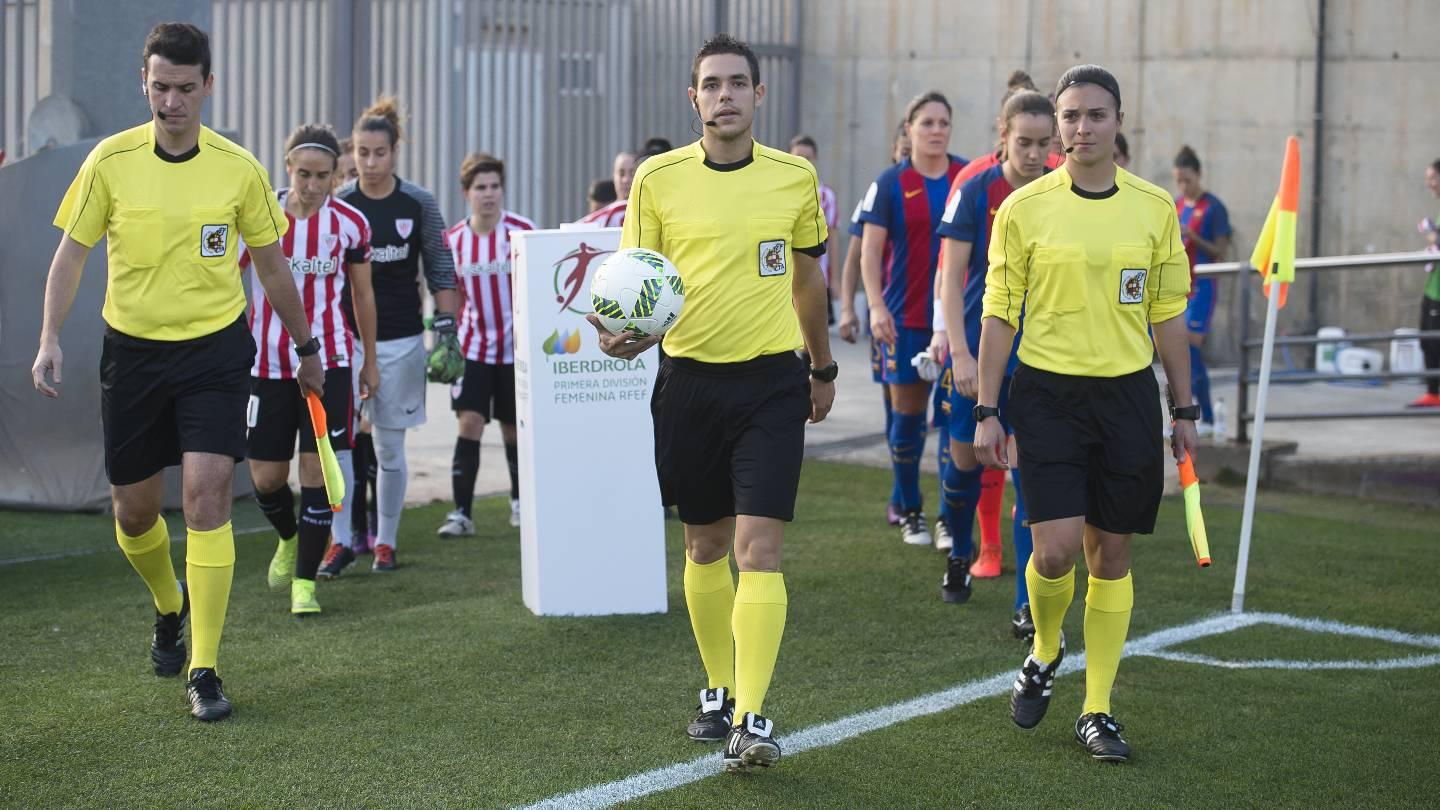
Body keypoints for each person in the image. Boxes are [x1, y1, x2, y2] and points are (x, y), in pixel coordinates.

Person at [31, 22, 322, 720]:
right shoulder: (109, 160)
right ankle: (169, 604)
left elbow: (274, 268)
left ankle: (205, 667)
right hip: (131, 354)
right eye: (160, 88)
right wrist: (48, 338)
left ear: (208, 87)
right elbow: (70, 255)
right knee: (133, 514)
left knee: (206, 498)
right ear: (145, 84)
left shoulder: (240, 169)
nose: (171, 103)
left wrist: (307, 349)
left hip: (216, 354)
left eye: (185, 89)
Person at [588, 34, 833, 771]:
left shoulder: (795, 179)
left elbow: (808, 283)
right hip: (687, 383)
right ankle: (719, 689)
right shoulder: (658, 180)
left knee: (760, 549)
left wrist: (820, 367)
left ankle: (752, 717)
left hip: (770, 384)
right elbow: (633, 281)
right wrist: (616, 333)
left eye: (737, 84)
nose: (724, 95)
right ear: (691, 98)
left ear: (760, 95)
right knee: (704, 545)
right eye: (711, 85)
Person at [974, 65, 1196, 762]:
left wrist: (1182, 406)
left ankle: (1096, 709)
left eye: (1095, 115)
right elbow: (998, 312)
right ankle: (1045, 647)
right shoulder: (1024, 209)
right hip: (1046, 398)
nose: (1080, 128)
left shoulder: (1153, 208)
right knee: (1055, 549)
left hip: (1127, 397)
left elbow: (1168, 315)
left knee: (1113, 555)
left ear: (1119, 121)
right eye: (1070, 116)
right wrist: (987, 408)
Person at [243, 124, 377, 618]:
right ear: (287, 168)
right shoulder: (259, 215)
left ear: (337, 175)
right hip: (267, 364)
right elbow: (226, 277)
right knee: (266, 479)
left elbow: (363, 295)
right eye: (304, 174)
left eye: (324, 176)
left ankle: (305, 583)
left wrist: (371, 362)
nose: (313, 184)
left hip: (331, 365)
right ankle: (288, 537)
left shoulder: (350, 224)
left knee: (315, 472)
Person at [935, 90, 1054, 635]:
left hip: (1040, 361)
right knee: (965, 467)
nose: (1034, 154)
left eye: (1042, 143)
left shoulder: (1061, 190)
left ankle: (1026, 602)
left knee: (1031, 479)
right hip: (979, 356)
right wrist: (959, 351)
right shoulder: (975, 190)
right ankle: (960, 552)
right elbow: (951, 279)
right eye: (1023, 142)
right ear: (1001, 136)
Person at [324, 97, 459, 575]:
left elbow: (441, 269)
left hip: (402, 341)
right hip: (345, 342)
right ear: (352, 154)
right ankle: (339, 542)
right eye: (362, 153)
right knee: (339, 448)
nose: (370, 162)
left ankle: (386, 542)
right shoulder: (339, 205)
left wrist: (447, 333)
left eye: (379, 152)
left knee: (388, 448)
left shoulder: (418, 202)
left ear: (396, 151)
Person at [858, 91, 966, 546]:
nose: (937, 130)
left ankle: (946, 517)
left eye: (944, 122)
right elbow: (869, 251)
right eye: (927, 123)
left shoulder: (968, 177)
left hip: (957, 320)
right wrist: (876, 306)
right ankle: (909, 509)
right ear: (909, 130)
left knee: (950, 419)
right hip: (905, 320)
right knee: (907, 418)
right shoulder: (889, 183)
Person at [437, 153, 535, 537]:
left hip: (517, 352)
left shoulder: (522, 232)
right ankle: (461, 513)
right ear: (467, 193)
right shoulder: (454, 241)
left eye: (495, 186)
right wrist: (444, 342)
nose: (489, 194)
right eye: (481, 188)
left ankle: (519, 502)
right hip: (473, 350)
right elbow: (450, 296)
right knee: (470, 423)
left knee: (514, 428)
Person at [838, 124, 909, 527]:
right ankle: (900, 496)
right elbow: (854, 257)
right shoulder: (881, 191)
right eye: (901, 148)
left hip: (931, 317)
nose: (906, 155)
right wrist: (849, 307)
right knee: (895, 405)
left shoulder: (947, 186)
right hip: (890, 319)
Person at [1173, 145, 1232, 434]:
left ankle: (1206, 415)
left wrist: (1194, 236)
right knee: (1177, 350)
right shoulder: (1176, 205)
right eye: (1179, 181)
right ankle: (1185, 415)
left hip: (1203, 286)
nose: (1183, 186)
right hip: (1178, 287)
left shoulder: (1213, 208)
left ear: (1198, 175)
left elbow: (1220, 251)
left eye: (1187, 180)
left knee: (1191, 348)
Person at [788, 135, 840, 322]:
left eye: (807, 157)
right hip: (787, 276)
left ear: (815, 159)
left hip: (817, 273)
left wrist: (835, 281)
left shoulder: (826, 196)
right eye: (797, 156)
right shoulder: (780, 193)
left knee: (812, 332)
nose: (802, 162)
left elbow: (832, 238)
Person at [1410, 158, 1440, 408]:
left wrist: (1431, 233)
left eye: (1432, 178)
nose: (1429, 184)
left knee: (1434, 340)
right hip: (1433, 287)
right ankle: (1433, 391)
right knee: (1427, 339)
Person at [581, 150, 636, 226]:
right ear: (614, 175)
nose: (626, 180)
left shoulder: (649, 214)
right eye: (621, 173)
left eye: (632, 173)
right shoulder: (598, 220)